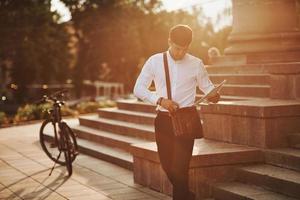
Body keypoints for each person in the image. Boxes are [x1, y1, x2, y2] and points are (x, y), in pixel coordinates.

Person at [133, 24, 220, 200]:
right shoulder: (154, 61)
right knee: (167, 166)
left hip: (186, 121)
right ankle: (187, 196)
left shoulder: (196, 63)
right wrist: (160, 100)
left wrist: (213, 95)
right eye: (177, 48)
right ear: (169, 41)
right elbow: (138, 88)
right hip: (163, 120)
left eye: (184, 49)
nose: (180, 53)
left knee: (180, 169)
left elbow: (207, 87)